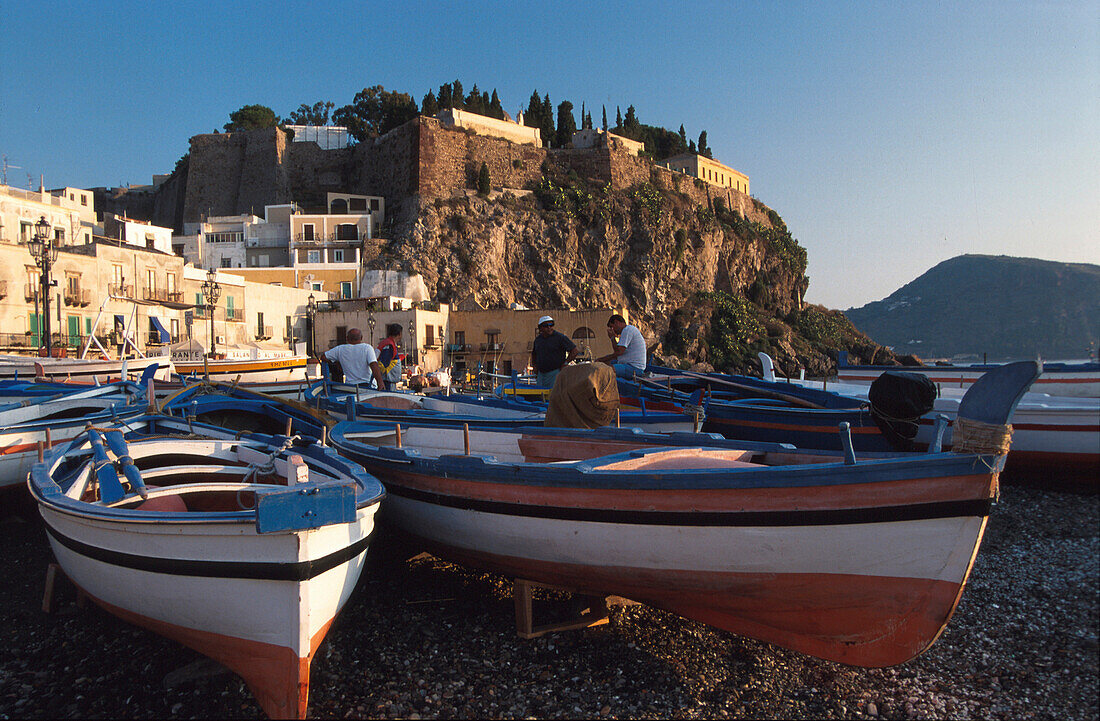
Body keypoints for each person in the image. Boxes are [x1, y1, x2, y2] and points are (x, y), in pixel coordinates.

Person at [320, 327, 385, 388]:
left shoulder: (340, 349)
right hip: (366, 384)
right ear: (361, 338)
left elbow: (323, 357)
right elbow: (373, 365)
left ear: (347, 338)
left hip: (350, 386)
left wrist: (337, 362)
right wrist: (380, 382)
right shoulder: (367, 348)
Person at [530, 315, 578, 388]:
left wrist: (565, 363)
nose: (549, 327)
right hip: (541, 374)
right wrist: (534, 366)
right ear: (540, 328)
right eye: (546, 326)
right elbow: (534, 354)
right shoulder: (538, 340)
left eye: (551, 325)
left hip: (555, 372)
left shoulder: (560, 337)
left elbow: (574, 350)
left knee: (553, 395)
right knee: (540, 395)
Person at [597, 314, 647, 379]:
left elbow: (619, 352)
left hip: (634, 368)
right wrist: (602, 360)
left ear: (616, 322)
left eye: (612, 327)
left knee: (606, 371)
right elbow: (617, 351)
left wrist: (612, 338)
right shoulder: (627, 331)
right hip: (628, 364)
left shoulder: (627, 330)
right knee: (605, 363)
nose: (613, 330)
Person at [376, 323, 404, 391]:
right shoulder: (389, 345)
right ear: (399, 334)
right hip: (387, 382)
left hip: (388, 380)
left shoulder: (388, 343)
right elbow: (384, 364)